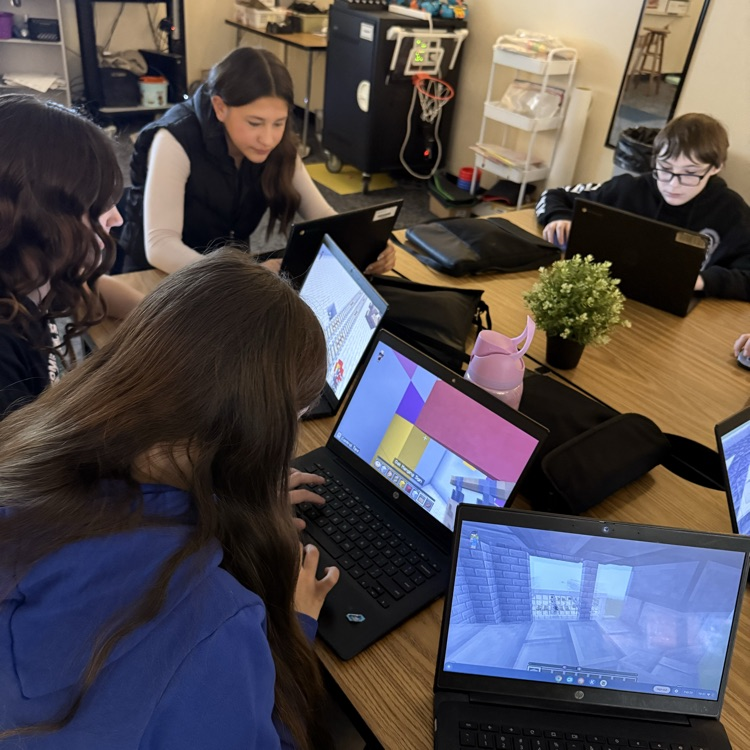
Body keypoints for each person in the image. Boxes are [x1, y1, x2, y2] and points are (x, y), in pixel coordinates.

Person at [0, 250, 339, 749]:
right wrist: (298, 623)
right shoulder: (218, 626)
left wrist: (224, 498)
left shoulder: (21, 455)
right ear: (267, 432)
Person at [120, 46, 396, 276]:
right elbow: (160, 245)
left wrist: (367, 244)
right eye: (254, 123)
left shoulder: (277, 144)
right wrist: (245, 274)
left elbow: (322, 215)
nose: (268, 138)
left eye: (279, 122)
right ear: (220, 107)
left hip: (227, 271)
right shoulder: (174, 139)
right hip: (158, 276)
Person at [0, 94, 143, 420]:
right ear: (38, 215)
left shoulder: (30, 271)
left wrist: (158, 316)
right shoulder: (5, 361)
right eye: (98, 203)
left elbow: (90, 285)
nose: (117, 217)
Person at [535, 113, 750, 301]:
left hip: (685, 316)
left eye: (690, 173)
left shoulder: (733, 212)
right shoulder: (629, 189)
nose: (673, 184)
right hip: (612, 297)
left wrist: (703, 281)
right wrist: (559, 216)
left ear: (716, 168)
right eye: (665, 168)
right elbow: (554, 195)